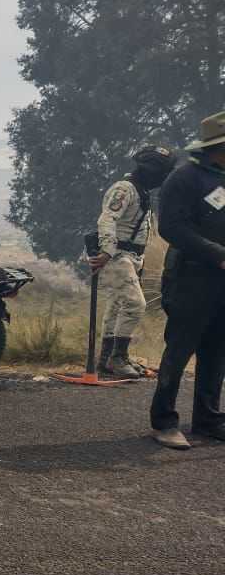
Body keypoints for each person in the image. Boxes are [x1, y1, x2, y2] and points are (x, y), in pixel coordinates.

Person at [148, 111, 225, 450]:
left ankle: (208, 419)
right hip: (191, 277)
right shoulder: (185, 179)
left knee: (217, 351)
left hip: (221, 282)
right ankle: (163, 421)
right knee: (179, 350)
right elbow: (172, 228)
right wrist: (217, 253)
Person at [89, 145, 177, 378]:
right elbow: (107, 218)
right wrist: (107, 250)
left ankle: (108, 360)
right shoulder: (124, 189)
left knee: (117, 305)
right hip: (118, 255)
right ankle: (117, 358)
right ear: (150, 171)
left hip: (131, 257)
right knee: (135, 304)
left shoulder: (140, 190)